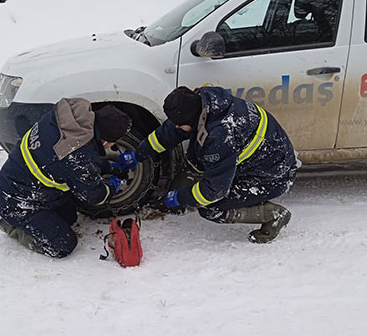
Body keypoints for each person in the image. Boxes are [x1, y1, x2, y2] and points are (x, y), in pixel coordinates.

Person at [121, 86, 297, 243]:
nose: (177, 127)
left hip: (273, 175)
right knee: (197, 156)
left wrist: (181, 197)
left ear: (190, 119)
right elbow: (169, 132)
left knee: (209, 207)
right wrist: (138, 154)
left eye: (180, 124)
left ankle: (274, 214)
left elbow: (213, 191)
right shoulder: (204, 102)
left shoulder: (221, 136)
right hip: (257, 159)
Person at [0, 99, 133, 257]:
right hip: (17, 200)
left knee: (69, 217)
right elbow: (96, 196)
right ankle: (12, 225)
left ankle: (37, 219)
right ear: (106, 141)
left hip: (21, 180)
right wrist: (111, 186)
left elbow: (76, 158)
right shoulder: (77, 154)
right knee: (64, 244)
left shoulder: (71, 120)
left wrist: (106, 167)